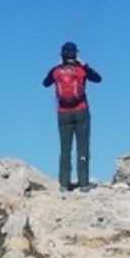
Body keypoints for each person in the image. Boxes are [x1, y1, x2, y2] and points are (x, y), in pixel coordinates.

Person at [42, 42, 102, 191]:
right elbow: (98, 78)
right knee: (82, 147)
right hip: (81, 111)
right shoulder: (81, 69)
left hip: (63, 113)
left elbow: (45, 83)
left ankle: (64, 184)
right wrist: (84, 64)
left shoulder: (56, 71)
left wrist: (58, 67)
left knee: (65, 149)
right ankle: (83, 183)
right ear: (76, 54)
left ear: (62, 54)